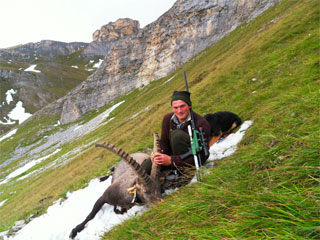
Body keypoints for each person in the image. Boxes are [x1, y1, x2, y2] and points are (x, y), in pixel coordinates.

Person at [151, 90, 211, 177]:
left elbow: (202, 156)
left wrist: (172, 161)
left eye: (182, 106)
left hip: (190, 162)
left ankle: (184, 174)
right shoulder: (167, 119)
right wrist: (158, 154)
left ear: (189, 106)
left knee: (177, 136)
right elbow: (164, 142)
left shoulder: (201, 124)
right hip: (172, 158)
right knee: (146, 166)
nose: (179, 111)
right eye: (175, 107)